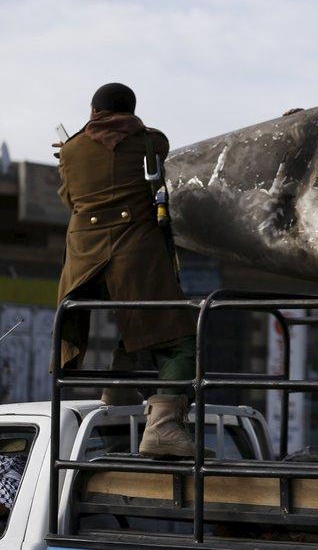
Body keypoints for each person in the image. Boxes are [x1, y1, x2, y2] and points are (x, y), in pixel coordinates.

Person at [56, 83, 199, 459]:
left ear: (93, 111)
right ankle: (164, 426)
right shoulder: (152, 142)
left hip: (84, 265)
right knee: (178, 337)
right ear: (131, 110)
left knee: (139, 320)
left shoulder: (69, 151)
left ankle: (119, 388)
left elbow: (69, 198)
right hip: (133, 255)